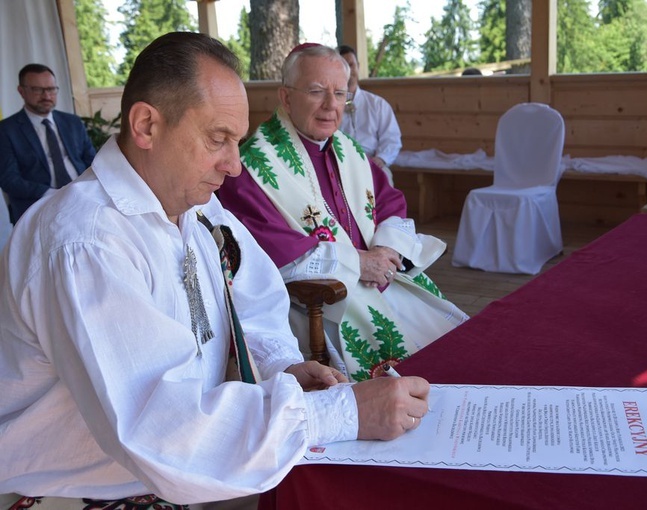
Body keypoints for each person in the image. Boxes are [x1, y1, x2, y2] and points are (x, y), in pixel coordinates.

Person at [0, 32, 430, 508]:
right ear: (146, 125)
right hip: (76, 488)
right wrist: (340, 414)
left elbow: (257, 299)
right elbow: (157, 425)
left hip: (188, 459)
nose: (235, 167)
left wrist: (279, 366)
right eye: (217, 138)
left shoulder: (196, 208)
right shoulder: (84, 242)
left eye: (237, 141)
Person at [218, 44, 468, 384]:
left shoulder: (348, 150)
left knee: (456, 342)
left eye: (339, 94)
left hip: (382, 279)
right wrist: (358, 264)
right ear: (286, 97)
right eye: (317, 91)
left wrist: (387, 251)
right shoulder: (252, 167)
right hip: (320, 299)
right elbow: (267, 249)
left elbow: (389, 203)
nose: (330, 106)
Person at [0, 64, 96, 223]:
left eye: (51, 89)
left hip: (82, 199)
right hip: (36, 206)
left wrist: (86, 190)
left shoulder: (72, 122)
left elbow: (93, 162)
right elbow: (10, 180)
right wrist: (53, 194)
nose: (47, 96)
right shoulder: (6, 130)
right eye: (38, 90)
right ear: (21, 91)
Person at [337, 45, 401, 185]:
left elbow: (392, 139)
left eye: (351, 64)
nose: (348, 70)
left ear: (358, 67)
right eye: (343, 65)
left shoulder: (377, 104)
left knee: (384, 179)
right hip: (338, 164)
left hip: (372, 162)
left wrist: (381, 159)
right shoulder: (330, 105)